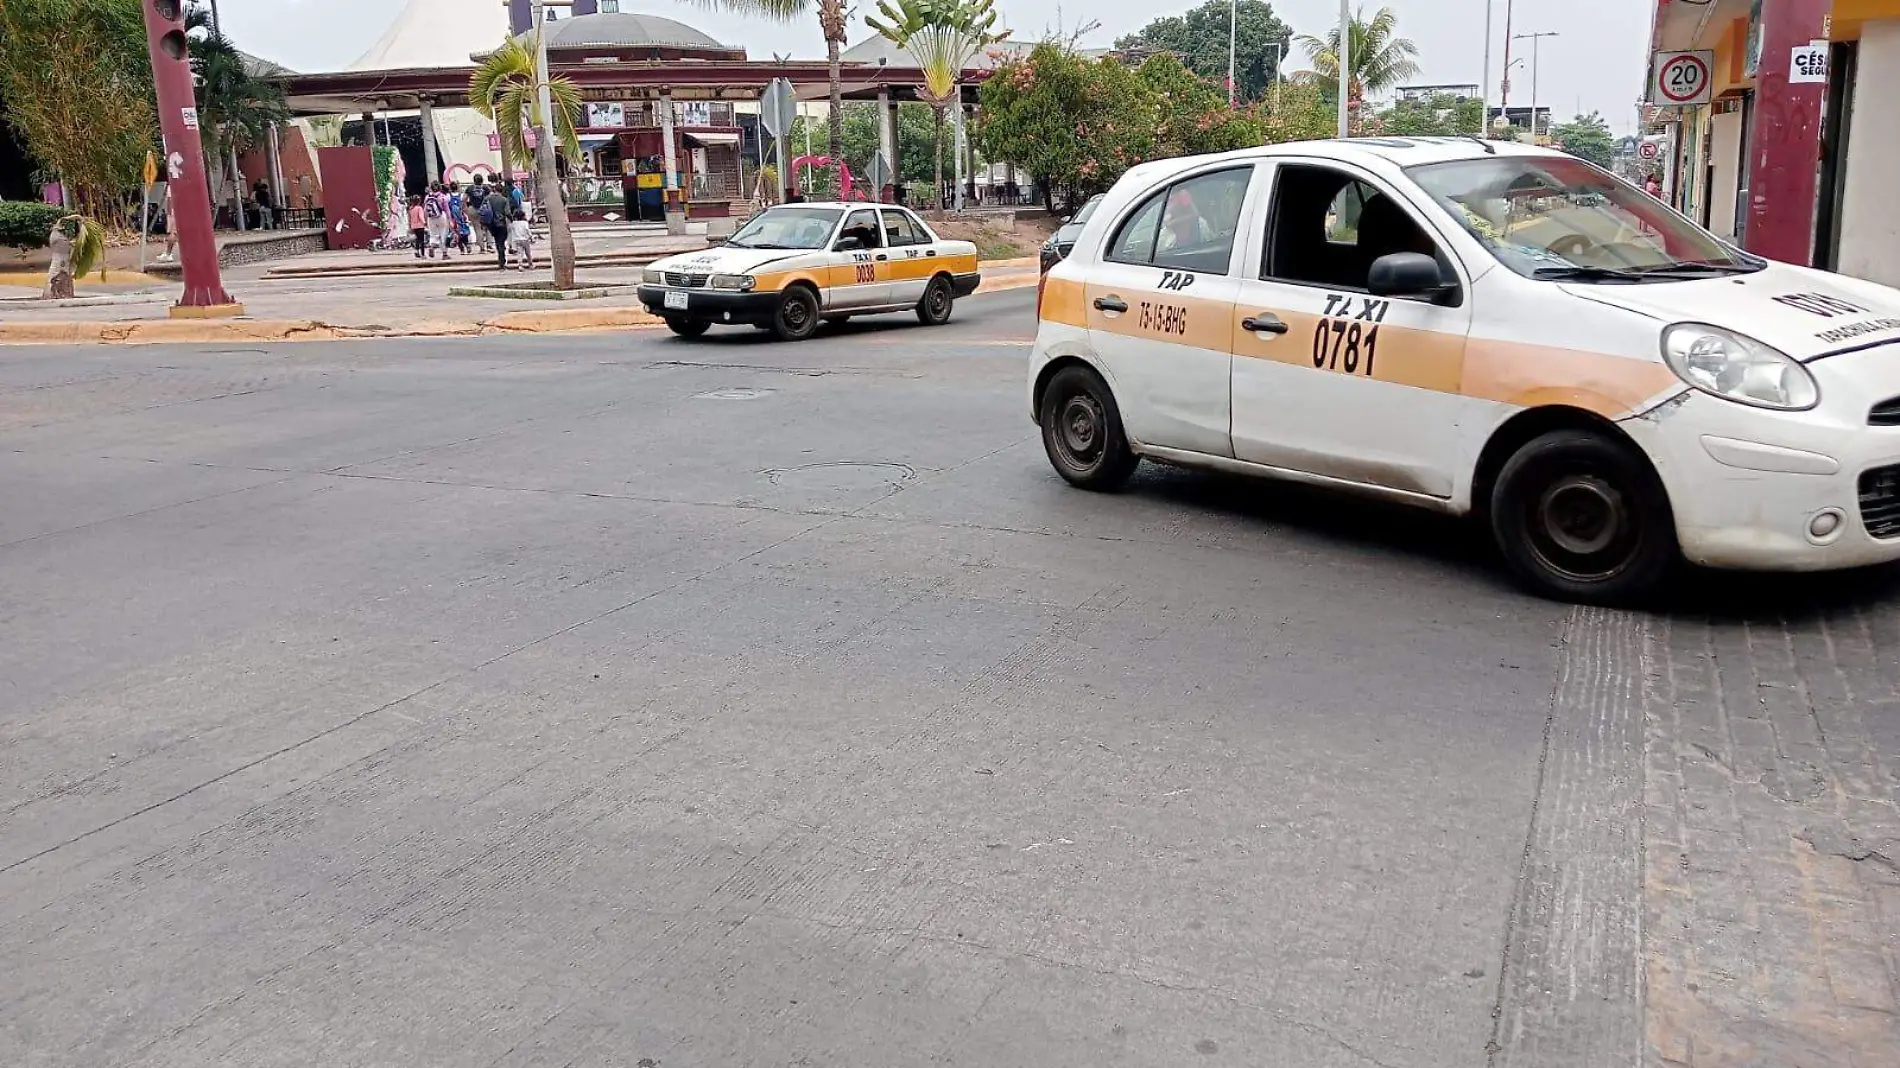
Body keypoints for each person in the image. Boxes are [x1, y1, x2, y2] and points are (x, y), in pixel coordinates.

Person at [479, 188, 510, 269]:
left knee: (497, 241)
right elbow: (507, 212)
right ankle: (501, 261)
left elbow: (482, 210)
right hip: (501, 223)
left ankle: (501, 259)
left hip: (491, 224)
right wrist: (512, 219)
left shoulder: (487, 198)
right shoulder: (504, 200)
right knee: (501, 242)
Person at [467, 177, 492, 254]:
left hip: (473, 209)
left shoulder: (470, 188)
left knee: (477, 228)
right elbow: (490, 197)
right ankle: (489, 245)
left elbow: (464, 199)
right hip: (484, 209)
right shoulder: (485, 188)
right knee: (488, 227)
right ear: (482, 180)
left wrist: (464, 208)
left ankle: (482, 248)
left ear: (474, 181)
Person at [448, 181, 470, 255]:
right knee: (464, 231)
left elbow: (448, 207)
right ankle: (467, 245)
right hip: (462, 216)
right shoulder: (461, 195)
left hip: (453, 217)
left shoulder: (448, 196)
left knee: (457, 233)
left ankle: (462, 249)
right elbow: (464, 206)